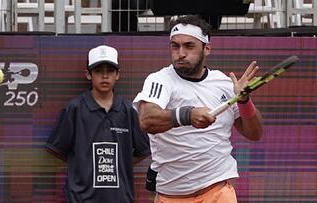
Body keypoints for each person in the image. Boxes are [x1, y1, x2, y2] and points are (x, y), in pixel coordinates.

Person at [133, 15, 263, 202]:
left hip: (218, 192)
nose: (181, 53)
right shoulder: (159, 80)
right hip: (171, 195)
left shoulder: (225, 84)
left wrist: (244, 101)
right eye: (175, 46)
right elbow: (146, 120)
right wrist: (187, 115)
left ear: (207, 48)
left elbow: (255, 133)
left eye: (189, 46)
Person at [46, 45, 151, 203]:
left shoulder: (128, 110)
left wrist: (120, 161)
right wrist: (83, 162)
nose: (104, 76)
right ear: (88, 74)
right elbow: (57, 149)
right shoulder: (74, 109)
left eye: (110, 71)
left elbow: (143, 150)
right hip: (80, 198)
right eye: (98, 71)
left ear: (117, 75)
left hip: (120, 198)